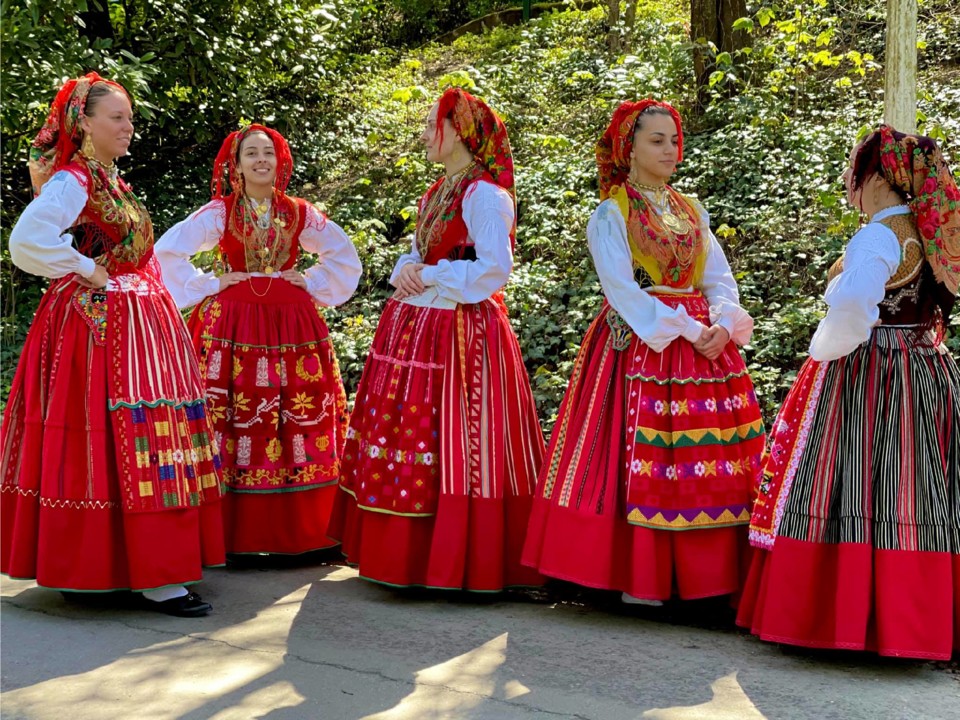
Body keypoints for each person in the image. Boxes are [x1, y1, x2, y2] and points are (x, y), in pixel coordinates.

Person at [521, 100, 764, 605]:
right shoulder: (613, 212)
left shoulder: (691, 208)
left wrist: (721, 322)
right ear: (627, 149)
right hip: (640, 347)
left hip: (702, 350)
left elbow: (717, 277)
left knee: (709, 462)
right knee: (638, 459)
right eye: (657, 140)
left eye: (674, 140)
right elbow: (623, 291)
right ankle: (640, 576)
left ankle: (710, 579)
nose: (670, 150)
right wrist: (685, 328)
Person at [1, 73, 223, 616]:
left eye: (129, 118)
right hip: (100, 328)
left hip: (139, 324)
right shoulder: (74, 180)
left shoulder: (108, 180)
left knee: (139, 436)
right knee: (113, 435)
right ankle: (126, 570)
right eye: (117, 117)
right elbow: (26, 242)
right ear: (85, 123)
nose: (128, 127)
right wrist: (84, 269)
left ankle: (143, 566)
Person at [737, 125, 960, 660]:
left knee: (853, 479)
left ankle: (836, 616)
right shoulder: (924, 233)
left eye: (853, 170)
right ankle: (912, 623)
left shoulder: (880, 235)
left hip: (868, 373)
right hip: (922, 368)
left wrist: (826, 351)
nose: (847, 182)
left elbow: (855, 301)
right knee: (911, 484)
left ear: (877, 176)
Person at [329, 87, 545, 591]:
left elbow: (494, 270)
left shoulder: (485, 194)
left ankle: (459, 560)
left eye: (433, 125)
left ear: (461, 131)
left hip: (463, 332)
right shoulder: (436, 192)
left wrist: (428, 276)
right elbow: (416, 252)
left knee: (457, 440)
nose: (426, 134)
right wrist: (408, 270)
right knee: (417, 435)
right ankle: (407, 558)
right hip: (420, 326)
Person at [155, 125, 361, 556]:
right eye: (252, 153)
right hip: (231, 325)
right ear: (238, 164)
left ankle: (306, 533)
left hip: (292, 325)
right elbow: (167, 252)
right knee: (231, 415)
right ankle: (230, 535)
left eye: (268, 152)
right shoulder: (219, 213)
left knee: (298, 417)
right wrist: (210, 283)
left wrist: (308, 280)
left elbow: (342, 256)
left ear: (281, 161)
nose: (261, 160)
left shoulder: (301, 212)